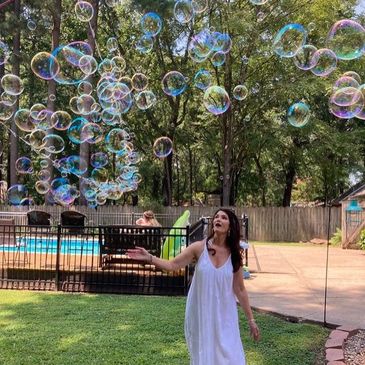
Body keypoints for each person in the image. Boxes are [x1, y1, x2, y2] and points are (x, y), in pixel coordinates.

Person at [127, 208, 260, 365]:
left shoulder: (234, 255)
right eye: (216, 216)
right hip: (202, 315)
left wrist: (251, 320)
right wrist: (150, 257)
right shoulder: (199, 248)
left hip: (225, 317)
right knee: (205, 356)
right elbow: (172, 264)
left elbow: (240, 289)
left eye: (224, 218)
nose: (218, 219)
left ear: (230, 226)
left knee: (231, 357)